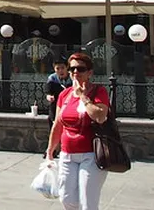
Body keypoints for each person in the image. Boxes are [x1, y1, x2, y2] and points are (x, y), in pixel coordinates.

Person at [45, 51, 111, 210]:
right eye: (72, 68)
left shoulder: (98, 92)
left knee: (88, 202)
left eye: (80, 69)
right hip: (67, 154)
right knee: (67, 199)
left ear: (89, 73)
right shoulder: (65, 95)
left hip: (92, 154)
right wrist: (50, 149)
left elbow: (100, 116)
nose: (75, 72)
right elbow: (58, 124)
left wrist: (83, 96)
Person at [45, 58, 73, 127]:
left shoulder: (73, 77)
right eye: (57, 68)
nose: (60, 71)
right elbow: (48, 92)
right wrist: (49, 97)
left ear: (67, 67)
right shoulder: (52, 78)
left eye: (63, 68)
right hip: (56, 106)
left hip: (70, 106)